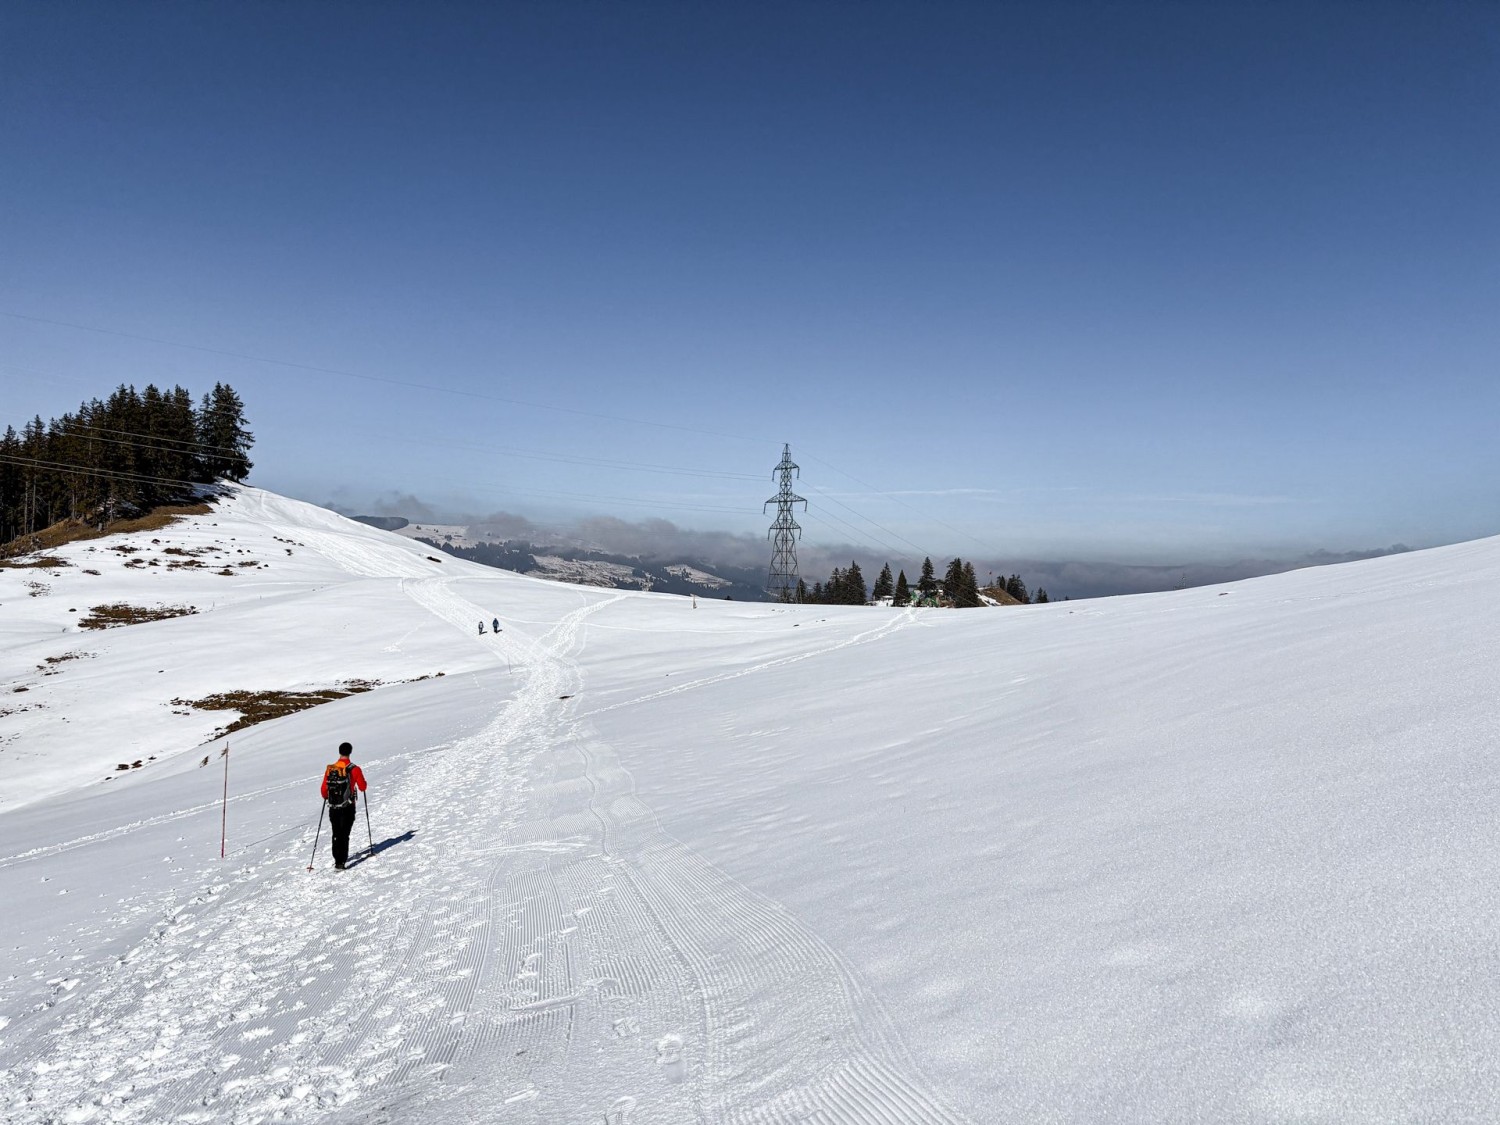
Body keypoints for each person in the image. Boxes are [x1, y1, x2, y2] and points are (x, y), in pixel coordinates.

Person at [320, 742, 368, 870]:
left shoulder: (331, 769)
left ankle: (337, 859)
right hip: (348, 806)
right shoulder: (355, 769)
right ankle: (341, 861)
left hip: (333, 807)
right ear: (350, 752)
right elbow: (363, 787)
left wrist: (328, 796)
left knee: (336, 832)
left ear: (339, 752)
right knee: (344, 833)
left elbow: (324, 790)